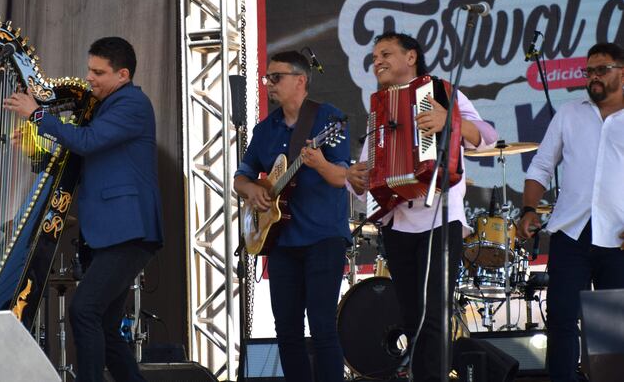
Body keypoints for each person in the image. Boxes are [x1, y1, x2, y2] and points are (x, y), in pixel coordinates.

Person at [4, 36, 163, 382]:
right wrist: (33, 145)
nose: (89, 77)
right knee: (105, 326)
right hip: (112, 232)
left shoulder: (131, 105)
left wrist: (38, 114)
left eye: (98, 72)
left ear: (123, 74)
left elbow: (86, 143)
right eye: (89, 69)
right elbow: (75, 156)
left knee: (85, 311)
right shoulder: (103, 108)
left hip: (129, 230)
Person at [346, 32, 497, 382]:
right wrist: (356, 177)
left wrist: (451, 122)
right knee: (412, 317)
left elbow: (487, 136)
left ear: (411, 57)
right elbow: (370, 168)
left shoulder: (443, 92)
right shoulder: (380, 106)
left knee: (433, 315)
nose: (377, 61)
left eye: (385, 53)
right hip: (398, 223)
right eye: (374, 56)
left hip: (439, 220)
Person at [233, 51, 351, 382]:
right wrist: (251, 190)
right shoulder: (264, 129)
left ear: (300, 80)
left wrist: (320, 163)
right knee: (286, 330)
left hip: (323, 236)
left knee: (323, 326)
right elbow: (240, 177)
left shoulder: (329, 120)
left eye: (276, 77)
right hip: (281, 241)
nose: (269, 84)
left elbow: (343, 176)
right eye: (267, 78)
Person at [517, 43, 624, 382]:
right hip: (571, 234)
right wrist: (529, 209)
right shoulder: (569, 113)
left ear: (622, 73)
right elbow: (541, 165)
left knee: (611, 327)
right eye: (588, 71)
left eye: (601, 70)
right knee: (561, 317)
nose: (592, 77)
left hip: (617, 238)